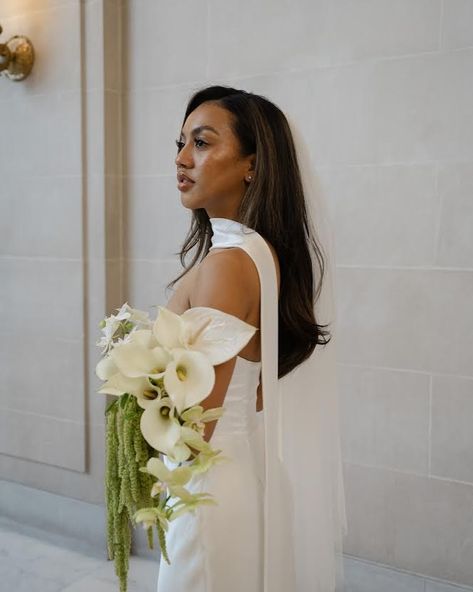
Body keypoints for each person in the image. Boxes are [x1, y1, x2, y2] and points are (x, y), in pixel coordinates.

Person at [157, 85, 347, 592]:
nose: (181, 158)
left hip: (208, 490)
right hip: (238, 473)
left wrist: (137, 408)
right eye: (180, 143)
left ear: (252, 165)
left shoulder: (226, 266)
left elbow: (198, 427)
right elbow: (253, 384)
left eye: (201, 142)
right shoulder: (257, 253)